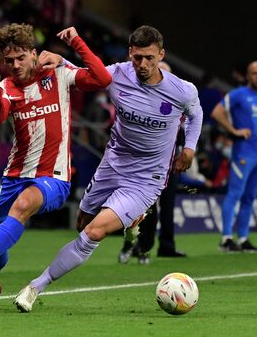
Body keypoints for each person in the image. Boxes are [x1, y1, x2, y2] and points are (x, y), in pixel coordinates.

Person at [13, 25, 203, 312]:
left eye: (150, 58)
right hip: (112, 164)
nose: (143, 64)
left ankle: (35, 287)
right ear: (130, 53)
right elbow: (86, 73)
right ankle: (131, 223)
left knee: (93, 232)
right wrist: (61, 61)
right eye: (138, 57)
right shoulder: (118, 74)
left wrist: (189, 148)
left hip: (146, 179)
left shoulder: (182, 90)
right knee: (81, 223)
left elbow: (196, 114)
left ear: (161, 55)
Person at [0, 23, 111, 310]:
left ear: (33, 53)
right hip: (14, 174)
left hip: (54, 177)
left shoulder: (57, 73)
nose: (14, 65)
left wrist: (73, 46)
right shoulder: (5, 87)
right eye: (8, 61)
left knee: (23, 205)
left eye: (20, 58)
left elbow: (101, 78)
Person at [118, 61, 187, 264]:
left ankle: (153, 248)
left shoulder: (176, 103)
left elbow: (183, 130)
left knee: (165, 206)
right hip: (141, 165)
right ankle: (130, 245)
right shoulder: (140, 103)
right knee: (143, 208)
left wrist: (183, 153)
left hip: (169, 165)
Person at [211, 61, 257, 253]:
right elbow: (216, 112)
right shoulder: (238, 94)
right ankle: (226, 239)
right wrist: (234, 131)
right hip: (243, 153)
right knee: (235, 194)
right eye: (255, 73)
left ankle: (243, 238)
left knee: (249, 197)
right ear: (248, 75)